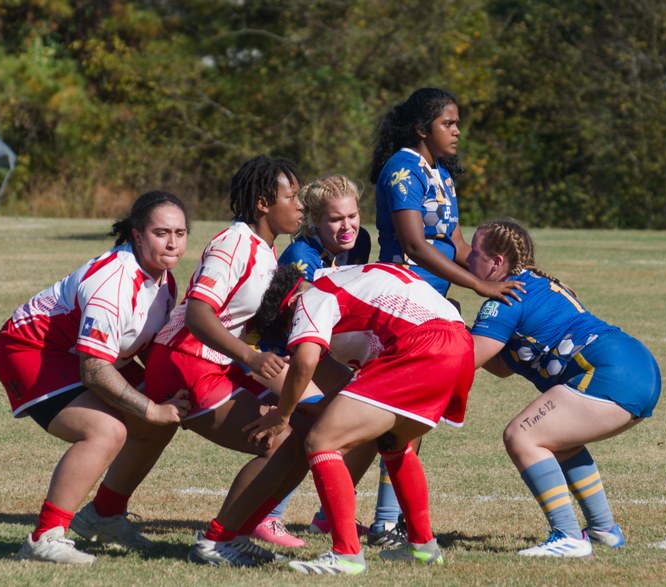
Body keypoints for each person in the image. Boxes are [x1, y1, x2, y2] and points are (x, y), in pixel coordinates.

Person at [0, 191, 192, 564]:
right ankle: (44, 538)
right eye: (161, 232)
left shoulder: (164, 280)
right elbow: (94, 369)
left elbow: (141, 344)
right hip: (30, 351)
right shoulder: (113, 284)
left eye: (180, 233)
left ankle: (105, 515)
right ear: (136, 235)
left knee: (161, 420)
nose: (172, 243)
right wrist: (150, 408)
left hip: (86, 354)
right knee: (107, 430)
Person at [245, 262, 475, 575]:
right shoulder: (341, 277)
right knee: (393, 441)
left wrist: (281, 415)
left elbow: (305, 361)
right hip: (458, 341)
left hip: (422, 344)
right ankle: (422, 546)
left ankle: (345, 554)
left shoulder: (309, 298)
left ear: (286, 309)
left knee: (321, 441)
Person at [143, 155, 315, 567]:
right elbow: (200, 313)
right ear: (262, 203)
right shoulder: (234, 243)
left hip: (215, 362)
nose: (300, 206)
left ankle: (233, 536)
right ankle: (217, 541)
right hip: (184, 359)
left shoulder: (267, 253)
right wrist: (251, 358)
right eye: (291, 196)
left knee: (307, 435)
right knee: (282, 441)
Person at [467, 217, 662, 557]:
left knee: (521, 435)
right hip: (637, 366)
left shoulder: (503, 299)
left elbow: (465, 360)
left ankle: (567, 535)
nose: (467, 260)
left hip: (609, 372)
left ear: (497, 262)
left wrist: (447, 327)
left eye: (474, 253)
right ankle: (604, 529)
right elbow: (500, 367)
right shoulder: (536, 283)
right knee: (557, 440)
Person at [257, 175, 403, 548]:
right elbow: (300, 322)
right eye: (336, 220)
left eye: (352, 216)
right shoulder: (301, 258)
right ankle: (267, 517)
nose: (347, 226)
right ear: (315, 222)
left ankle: (329, 514)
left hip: (320, 347)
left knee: (370, 417)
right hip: (279, 351)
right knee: (319, 422)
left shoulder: (361, 241)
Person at [371, 87, 523, 303]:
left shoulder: (442, 172)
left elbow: (457, 245)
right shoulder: (403, 170)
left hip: (431, 296)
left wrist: (503, 272)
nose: (457, 131)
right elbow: (414, 246)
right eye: (448, 124)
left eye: (456, 124)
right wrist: (478, 284)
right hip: (403, 294)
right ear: (422, 130)